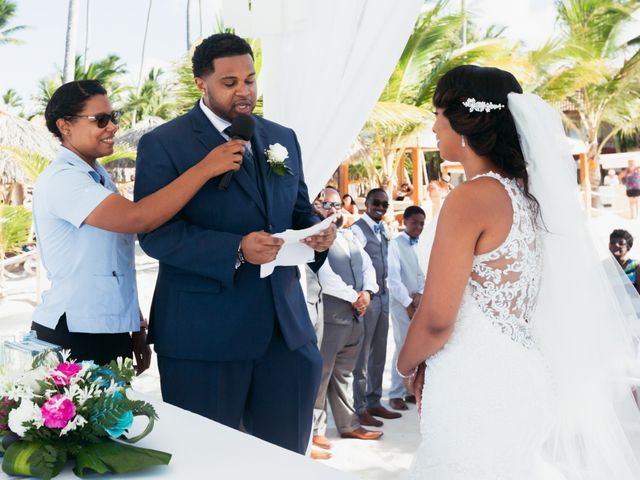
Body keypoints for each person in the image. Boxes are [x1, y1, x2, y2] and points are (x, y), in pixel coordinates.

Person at [398, 65, 640, 479]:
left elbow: (438, 320)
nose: (434, 125)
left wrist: (406, 366)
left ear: (465, 119)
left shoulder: (470, 199)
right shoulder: (528, 199)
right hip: (525, 376)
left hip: (477, 385)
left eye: (439, 112)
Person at [133, 33, 336, 454]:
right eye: (229, 82)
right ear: (200, 84)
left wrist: (318, 230)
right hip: (203, 336)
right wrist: (236, 249)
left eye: (250, 79)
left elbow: (298, 211)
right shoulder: (164, 144)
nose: (244, 91)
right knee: (207, 461)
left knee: (284, 463)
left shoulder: (283, 137)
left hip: (287, 336)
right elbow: (155, 234)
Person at [31, 80, 243, 369]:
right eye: (101, 120)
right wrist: (205, 169)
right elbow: (137, 218)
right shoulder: (64, 178)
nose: (113, 127)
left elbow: (113, 265)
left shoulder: (97, 174)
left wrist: (135, 325)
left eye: (113, 117)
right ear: (65, 126)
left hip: (107, 326)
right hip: (75, 330)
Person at [311, 187, 383, 458]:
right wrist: (356, 297)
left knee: (344, 374)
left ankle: (348, 424)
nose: (333, 209)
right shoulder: (316, 236)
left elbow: (367, 267)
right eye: (327, 204)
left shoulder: (349, 236)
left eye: (337, 204)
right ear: (316, 206)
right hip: (331, 317)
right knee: (321, 375)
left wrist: (368, 292)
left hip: (354, 317)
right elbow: (325, 276)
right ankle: (316, 430)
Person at [351, 188, 402, 426]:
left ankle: (374, 401)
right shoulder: (357, 231)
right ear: (366, 204)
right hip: (368, 298)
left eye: (384, 203)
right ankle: (359, 407)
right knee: (362, 354)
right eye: (376, 203)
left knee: (379, 352)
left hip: (384, 297)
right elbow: (355, 265)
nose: (380, 207)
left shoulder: (384, 231)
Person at [388, 206, 426, 411]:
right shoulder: (395, 244)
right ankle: (395, 393)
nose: (418, 227)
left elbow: (424, 273)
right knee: (402, 345)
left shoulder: (424, 244)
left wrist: (420, 295)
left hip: (421, 302)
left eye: (421, 223)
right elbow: (393, 279)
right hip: (401, 303)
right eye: (414, 222)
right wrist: (407, 302)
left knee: (419, 346)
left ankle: (410, 389)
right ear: (405, 221)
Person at [609, 229, 640, 293]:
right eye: (612, 242)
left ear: (628, 246)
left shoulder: (636, 266)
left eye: (621, 243)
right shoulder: (602, 266)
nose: (616, 245)